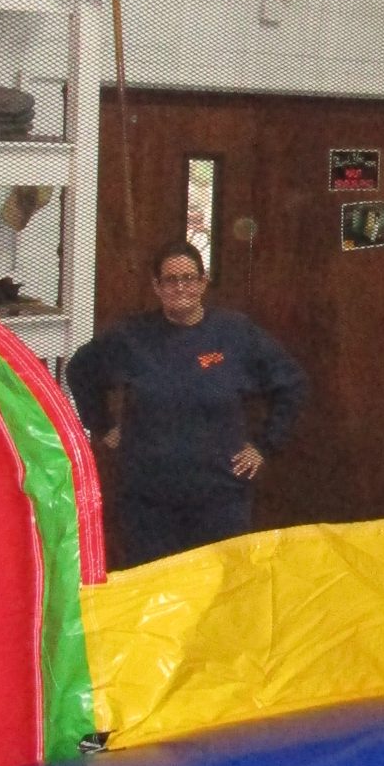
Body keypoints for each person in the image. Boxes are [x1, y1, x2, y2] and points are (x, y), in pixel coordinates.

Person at [66, 241, 309, 566]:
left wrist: (265, 445)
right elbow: (80, 370)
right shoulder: (131, 337)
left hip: (220, 498)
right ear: (157, 286)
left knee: (222, 583)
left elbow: (291, 382)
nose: (181, 288)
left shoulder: (235, 333)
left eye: (189, 278)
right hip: (149, 502)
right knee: (155, 585)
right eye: (170, 280)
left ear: (203, 282)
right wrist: (103, 427)